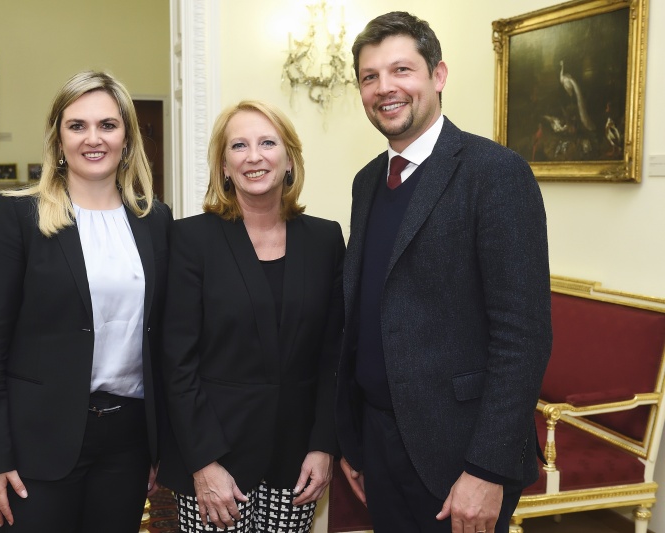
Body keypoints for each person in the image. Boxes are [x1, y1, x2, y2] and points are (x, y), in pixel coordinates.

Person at [334, 11, 552, 533]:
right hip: (380, 443)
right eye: (369, 77)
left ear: (438, 75)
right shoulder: (368, 181)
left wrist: (486, 468)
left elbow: (523, 337)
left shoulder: (495, 173)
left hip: (460, 457)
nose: (384, 88)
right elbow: (369, 310)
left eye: (401, 70)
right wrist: (354, 439)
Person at [0, 70, 172, 532]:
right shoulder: (17, 215)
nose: (92, 139)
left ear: (127, 138)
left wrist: (160, 446)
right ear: (58, 139)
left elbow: (161, 342)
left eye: (107, 125)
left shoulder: (155, 221)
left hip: (128, 442)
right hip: (37, 440)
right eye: (77, 126)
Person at [158, 100, 344, 532]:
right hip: (215, 458)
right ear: (224, 166)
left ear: (290, 158)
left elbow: (333, 355)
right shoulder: (190, 239)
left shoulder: (325, 239)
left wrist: (323, 446)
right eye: (238, 146)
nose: (254, 156)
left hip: (297, 461)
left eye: (267, 142)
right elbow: (176, 364)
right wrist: (203, 462)